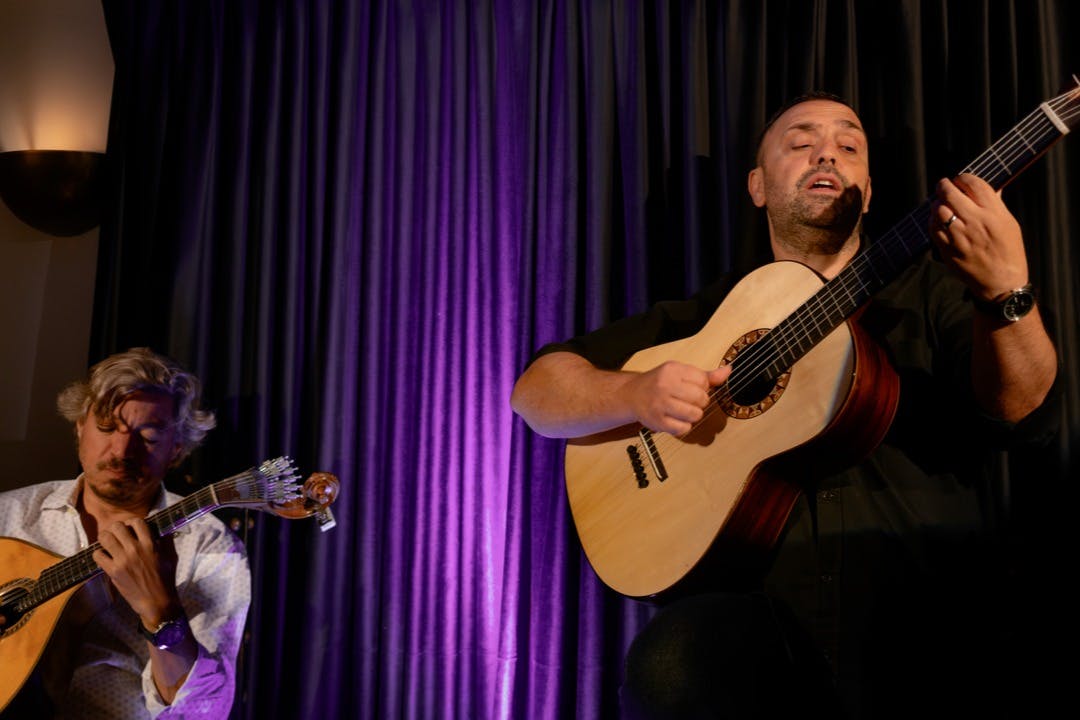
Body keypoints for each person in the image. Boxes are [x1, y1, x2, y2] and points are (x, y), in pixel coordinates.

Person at [511, 92, 1061, 718]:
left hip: (918, 609)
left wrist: (1006, 294)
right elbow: (536, 393)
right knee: (667, 670)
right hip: (751, 619)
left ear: (870, 191)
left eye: (849, 145)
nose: (827, 150)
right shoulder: (707, 317)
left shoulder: (934, 292)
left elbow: (1024, 411)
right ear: (757, 186)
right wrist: (634, 392)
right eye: (801, 142)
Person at [0, 347, 250, 719]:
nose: (122, 450)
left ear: (176, 450)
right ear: (79, 428)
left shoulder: (209, 547)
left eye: (148, 436)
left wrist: (162, 612)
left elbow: (204, 710)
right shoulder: (10, 515)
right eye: (105, 428)